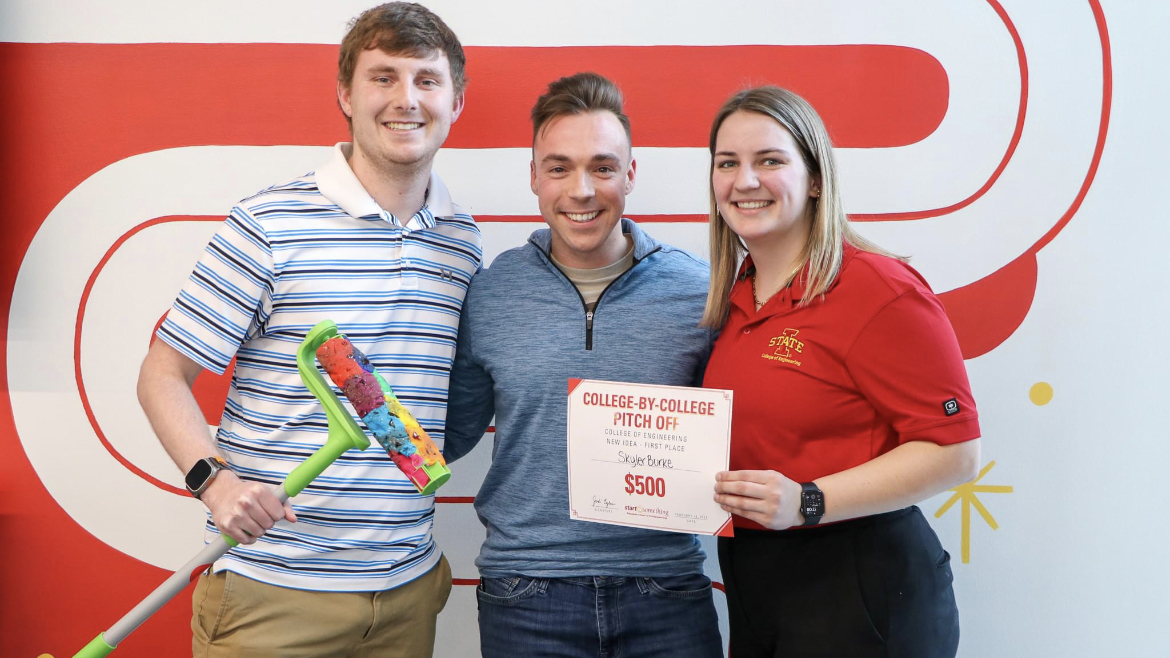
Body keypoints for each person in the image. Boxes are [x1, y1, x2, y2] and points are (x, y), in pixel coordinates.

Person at [136, 4, 479, 656]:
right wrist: (216, 481)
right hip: (274, 594)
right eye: (383, 78)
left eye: (426, 80)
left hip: (408, 592)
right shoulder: (267, 223)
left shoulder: (460, 243)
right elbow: (161, 375)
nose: (406, 99)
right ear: (346, 94)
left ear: (456, 100)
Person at [443, 72, 724, 658]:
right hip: (527, 592)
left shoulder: (699, 292)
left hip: (666, 587)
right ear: (534, 178)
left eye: (602, 167)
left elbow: (751, 431)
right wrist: (363, 400)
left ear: (630, 174)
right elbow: (447, 437)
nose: (582, 190)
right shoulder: (491, 294)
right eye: (559, 167)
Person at [702, 86, 981, 658]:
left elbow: (955, 452)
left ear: (815, 179)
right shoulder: (737, 299)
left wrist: (809, 500)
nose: (744, 180)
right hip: (757, 578)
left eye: (769, 160)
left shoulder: (878, 290)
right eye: (727, 163)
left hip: (860, 581)